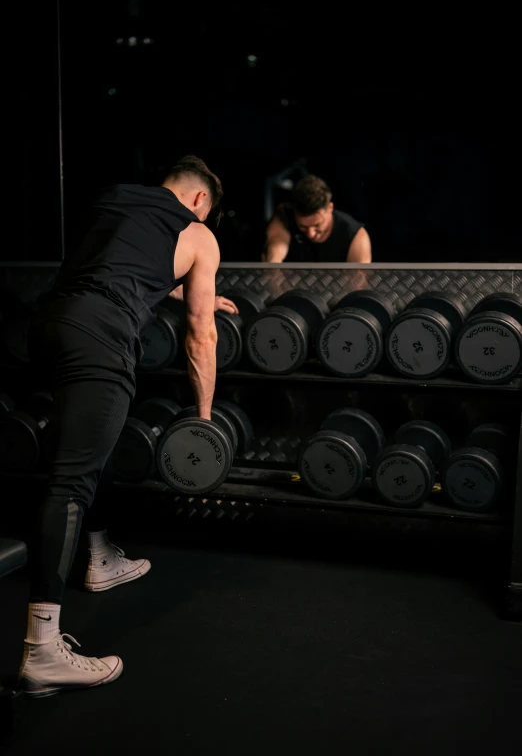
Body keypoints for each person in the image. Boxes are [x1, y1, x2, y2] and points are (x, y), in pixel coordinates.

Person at [17, 155, 238, 698]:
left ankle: (100, 557)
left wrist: (185, 289)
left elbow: (119, 266)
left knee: (96, 441)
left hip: (49, 327)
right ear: (200, 202)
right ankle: (41, 651)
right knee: (69, 481)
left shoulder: (112, 199)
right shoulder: (198, 234)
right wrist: (205, 421)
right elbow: (200, 336)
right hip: (101, 338)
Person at [262, 174, 372, 263]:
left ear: (330, 208)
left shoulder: (356, 236)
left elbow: (358, 285)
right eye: (303, 226)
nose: (311, 234)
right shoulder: (284, 216)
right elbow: (274, 255)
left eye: (317, 225)